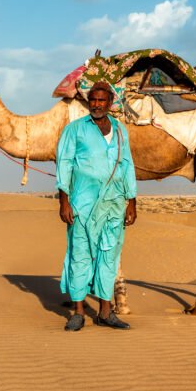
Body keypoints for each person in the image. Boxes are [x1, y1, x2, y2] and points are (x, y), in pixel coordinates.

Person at [56, 80, 138, 331]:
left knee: (108, 256)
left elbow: (127, 165)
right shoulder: (75, 130)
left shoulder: (120, 130)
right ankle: (78, 312)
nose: (96, 105)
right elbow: (64, 164)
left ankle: (105, 311)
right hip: (82, 204)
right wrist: (64, 201)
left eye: (102, 101)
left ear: (110, 104)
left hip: (113, 205)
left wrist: (131, 201)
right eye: (93, 100)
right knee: (79, 256)